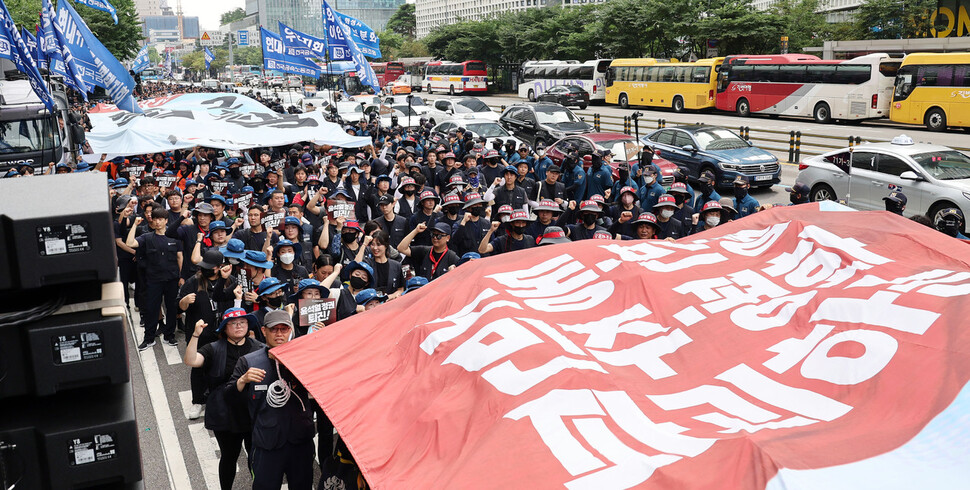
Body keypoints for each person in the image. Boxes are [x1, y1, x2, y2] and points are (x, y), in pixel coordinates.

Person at [230, 310, 315, 490]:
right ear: (263, 330)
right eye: (274, 329)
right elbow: (229, 396)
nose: (279, 334)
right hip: (267, 444)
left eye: (283, 329)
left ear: (290, 330)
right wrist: (242, 380)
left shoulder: (304, 358)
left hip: (300, 440)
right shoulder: (249, 361)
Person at [183, 309, 263, 490]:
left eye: (242, 322)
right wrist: (195, 335)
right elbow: (191, 360)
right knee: (229, 456)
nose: (239, 326)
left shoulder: (258, 346)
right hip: (225, 413)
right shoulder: (214, 348)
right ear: (224, 328)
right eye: (233, 323)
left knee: (256, 456)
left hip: (252, 411)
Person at [177, 249, 238, 419]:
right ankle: (198, 401)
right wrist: (184, 302)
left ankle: (222, 399)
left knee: (224, 367)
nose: (206, 269)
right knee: (199, 368)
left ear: (220, 267)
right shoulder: (193, 281)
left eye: (211, 267)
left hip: (222, 333)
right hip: (200, 334)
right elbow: (177, 306)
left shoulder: (229, 281)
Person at [126, 209, 183, 350]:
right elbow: (129, 243)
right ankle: (149, 338)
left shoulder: (174, 236)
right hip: (153, 280)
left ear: (166, 220)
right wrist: (134, 225)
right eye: (155, 219)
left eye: (160, 219)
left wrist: (181, 277)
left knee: (171, 308)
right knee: (151, 309)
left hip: (172, 279)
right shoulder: (146, 237)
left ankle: (169, 336)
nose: (157, 222)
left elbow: (180, 257)